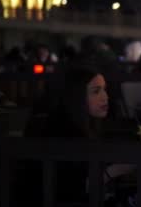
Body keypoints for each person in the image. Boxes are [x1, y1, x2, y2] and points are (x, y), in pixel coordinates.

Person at [20, 65, 134, 206]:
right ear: (76, 96)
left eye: (104, 89)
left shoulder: (85, 124)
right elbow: (71, 189)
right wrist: (117, 169)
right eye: (96, 91)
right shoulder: (59, 130)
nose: (106, 97)